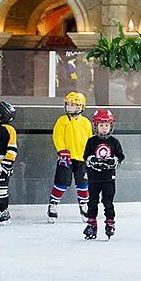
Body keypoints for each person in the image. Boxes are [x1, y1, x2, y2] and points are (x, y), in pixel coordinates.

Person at [49, 91, 92, 222]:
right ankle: (53, 205)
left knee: (83, 185)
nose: (69, 107)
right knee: (61, 184)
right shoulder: (62, 120)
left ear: (80, 106)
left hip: (82, 159)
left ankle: (84, 205)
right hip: (66, 158)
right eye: (68, 104)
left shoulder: (86, 122)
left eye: (73, 105)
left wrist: (90, 154)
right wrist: (61, 151)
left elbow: (89, 139)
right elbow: (57, 136)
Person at [83, 109, 126, 240]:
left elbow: (121, 156)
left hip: (108, 178)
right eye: (101, 125)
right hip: (93, 178)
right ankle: (91, 224)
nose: (104, 128)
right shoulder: (91, 141)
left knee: (108, 201)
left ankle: (110, 222)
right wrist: (92, 160)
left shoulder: (114, 142)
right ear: (95, 126)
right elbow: (85, 156)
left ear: (111, 126)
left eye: (106, 125)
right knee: (92, 201)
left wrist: (114, 161)